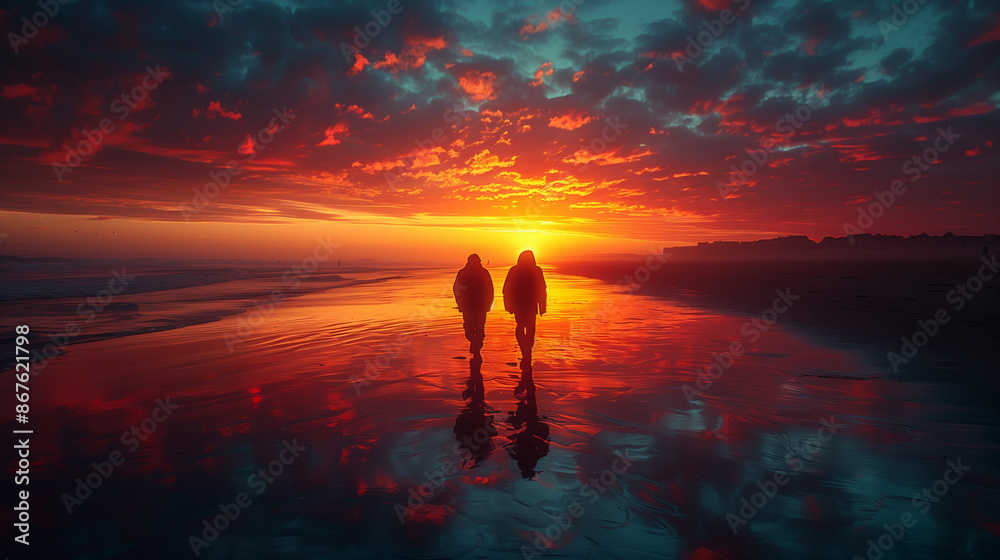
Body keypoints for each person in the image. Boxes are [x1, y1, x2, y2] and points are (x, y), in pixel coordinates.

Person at [502, 250, 547, 365]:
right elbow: (542, 289)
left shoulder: (515, 270)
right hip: (529, 305)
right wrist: (542, 307)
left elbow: (506, 289)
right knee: (529, 328)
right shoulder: (536, 270)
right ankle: (527, 351)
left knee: (521, 326)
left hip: (520, 305)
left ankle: (525, 350)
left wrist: (509, 305)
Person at [453, 254, 494, 356]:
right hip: (469, 306)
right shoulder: (463, 273)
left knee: (478, 327)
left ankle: (476, 347)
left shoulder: (483, 273)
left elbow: (490, 290)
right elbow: (457, 289)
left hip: (479, 306)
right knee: (470, 327)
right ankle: (475, 343)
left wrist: (488, 304)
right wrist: (460, 303)